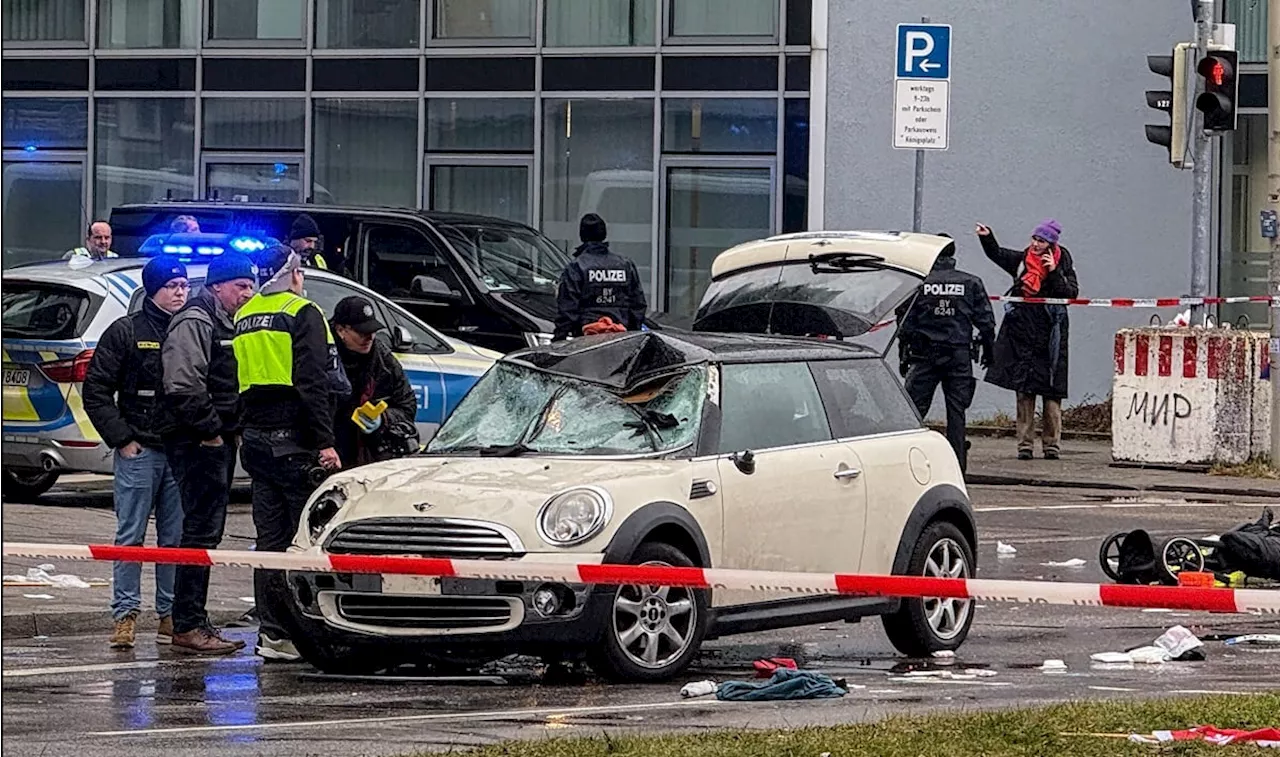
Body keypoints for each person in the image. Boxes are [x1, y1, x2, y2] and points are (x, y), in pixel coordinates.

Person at [233, 244, 347, 662]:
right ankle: (309, 630)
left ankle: (273, 631)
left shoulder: (244, 315)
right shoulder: (304, 313)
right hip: (295, 441)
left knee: (269, 541)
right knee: (307, 541)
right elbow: (312, 382)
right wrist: (325, 442)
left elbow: (239, 381)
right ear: (293, 273)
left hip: (258, 440)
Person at [82, 256, 190, 649]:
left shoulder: (191, 328)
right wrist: (122, 438)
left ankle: (170, 615)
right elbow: (95, 391)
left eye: (183, 285)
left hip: (178, 451)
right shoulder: (126, 331)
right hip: (139, 451)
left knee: (175, 540)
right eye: (172, 286)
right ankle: (125, 615)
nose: (180, 293)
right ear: (153, 289)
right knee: (130, 536)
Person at [162, 253, 258, 655]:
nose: (247, 294)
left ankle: (192, 620)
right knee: (199, 531)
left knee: (206, 531)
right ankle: (188, 623)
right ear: (218, 286)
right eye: (241, 286)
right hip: (197, 441)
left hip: (212, 438)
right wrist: (212, 433)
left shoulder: (223, 321)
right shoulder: (197, 320)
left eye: (251, 286)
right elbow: (182, 384)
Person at [976, 219, 1080, 461]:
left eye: (1041, 241)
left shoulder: (1063, 263)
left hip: (1051, 334)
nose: (1035, 244)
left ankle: (1052, 445)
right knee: (1024, 389)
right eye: (1034, 239)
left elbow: (1070, 293)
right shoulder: (1022, 260)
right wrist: (987, 236)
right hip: (1023, 332)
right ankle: (1025, 444)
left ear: (1051, 244)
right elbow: (997, 253)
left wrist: (1053, 272)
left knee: (1052, 391)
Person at [896, 234, 996, 474]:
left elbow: (905, 323)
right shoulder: (970, 283)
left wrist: (904, 356)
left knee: (913, 413)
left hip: (924, 357)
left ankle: (908, 466)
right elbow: (986, 323)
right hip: (958, 356)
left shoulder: (918, 282)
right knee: (957, 414)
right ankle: (957, 470)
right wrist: (989, 353)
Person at [330, 296, 419, 467]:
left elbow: (407, 406)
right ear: (341, 330)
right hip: (330, 449)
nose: (370, 337)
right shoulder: (322, 353)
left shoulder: (382, 358)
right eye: (362, 333)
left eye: (373, 331)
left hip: (368, 453)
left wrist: (383, 418)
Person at [553, 213, 647, 341]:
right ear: (604, 234)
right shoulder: (625, 265)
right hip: (620, 337)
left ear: (582, 235)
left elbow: (568, 310)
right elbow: (638, 305)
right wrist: (632, 334)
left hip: (587, 339)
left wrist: (559, 339)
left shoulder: (577, 267)